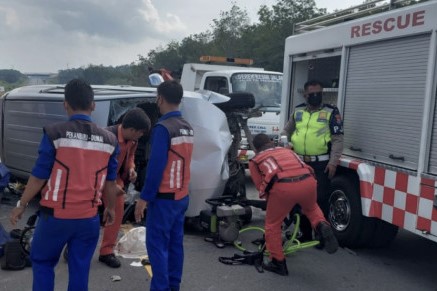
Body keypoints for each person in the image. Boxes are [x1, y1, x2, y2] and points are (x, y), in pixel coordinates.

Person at [9, 78, 122, 291]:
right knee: (80, 268)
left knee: (43, 263)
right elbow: (111, 181)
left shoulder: (55, 133)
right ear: (93, 105)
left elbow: (39, 176)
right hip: (88, 218)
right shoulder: (110, 140)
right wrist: (110, 208)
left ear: (65, 104)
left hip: (55, 218)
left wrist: (21, 205)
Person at [249, 133, 339, 276]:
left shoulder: (255, 160)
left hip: (283, 186)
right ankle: (322, 225)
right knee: (312, 208)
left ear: (256, 149)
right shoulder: (287, 150)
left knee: (272, 225)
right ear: (271, 142)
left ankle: (278, 263)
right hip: (308, 181)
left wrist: (275, 204)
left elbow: (261, 186)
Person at [134, 80, 194, 291]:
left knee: (157, 247)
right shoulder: (187, 127)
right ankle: (173, 286)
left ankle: (160, 288)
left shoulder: (163, 128)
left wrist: (144, 199)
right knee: (175, 245)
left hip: (164, 199)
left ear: (160, 99)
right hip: (181, 196)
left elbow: (156, 167)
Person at [280, 79, 344, 241]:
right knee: (297, 199)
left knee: (320, 200)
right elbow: (286, 131)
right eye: (312, 94)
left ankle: (322, 237)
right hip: (298, 163)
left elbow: (337, 139)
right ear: (306, 95)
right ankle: (304, 234)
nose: (316, 96)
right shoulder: (298, 111)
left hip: (321, 164)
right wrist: (285, 146)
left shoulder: (331, 111)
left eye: (319, 93)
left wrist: (333, 162)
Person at [98, 108, 151, 268]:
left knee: (118, 209)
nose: (140, 137)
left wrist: (131, 168)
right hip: (98, 180)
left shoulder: (132, 140)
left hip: (116, 180)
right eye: (140, 133)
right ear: (132, 130)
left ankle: (106, 251)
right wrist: (110, 186)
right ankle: (72, 246)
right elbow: (97, 164)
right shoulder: (107, 137)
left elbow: (131, 156)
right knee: (86, 214)